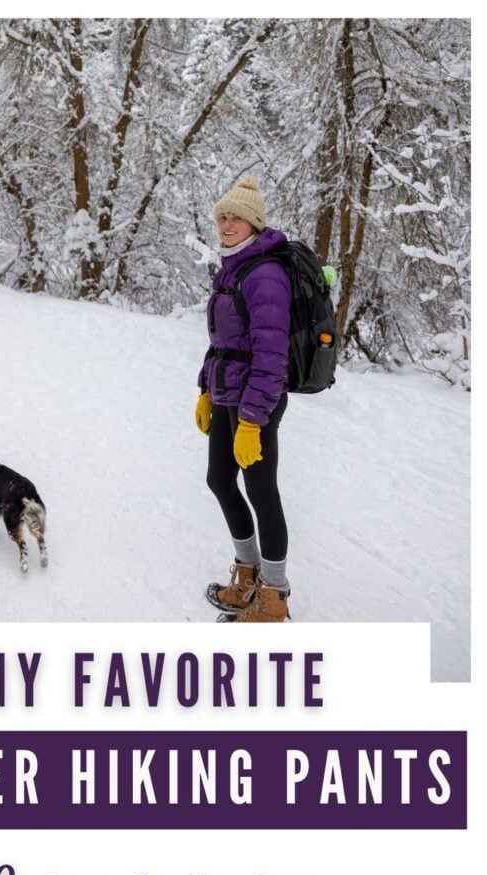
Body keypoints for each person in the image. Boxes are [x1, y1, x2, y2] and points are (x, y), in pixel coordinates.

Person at [195, 175, 291, 623]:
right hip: (227, 395)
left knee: (261, 490)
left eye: (236, 217)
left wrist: (252, 419)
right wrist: (204, 389)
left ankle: (273, 595)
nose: (227, 224)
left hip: (256, 400)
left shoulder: (266, 275)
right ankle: (248, 573)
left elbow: (271, 358)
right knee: (219, 480)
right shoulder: (230, 268)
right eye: (222, 217)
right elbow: (222, 340)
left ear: (255, 224)